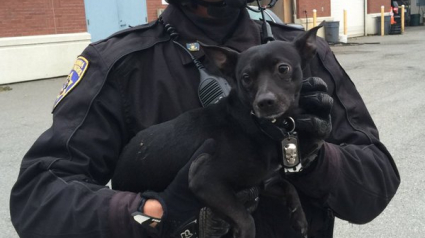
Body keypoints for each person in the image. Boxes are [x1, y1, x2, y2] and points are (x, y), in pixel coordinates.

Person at [10, 0, 400, 237]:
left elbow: (376, 184)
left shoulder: (302, 55)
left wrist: (315, 158)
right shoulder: (119, 65)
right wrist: (155, 213)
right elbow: (38, 197)